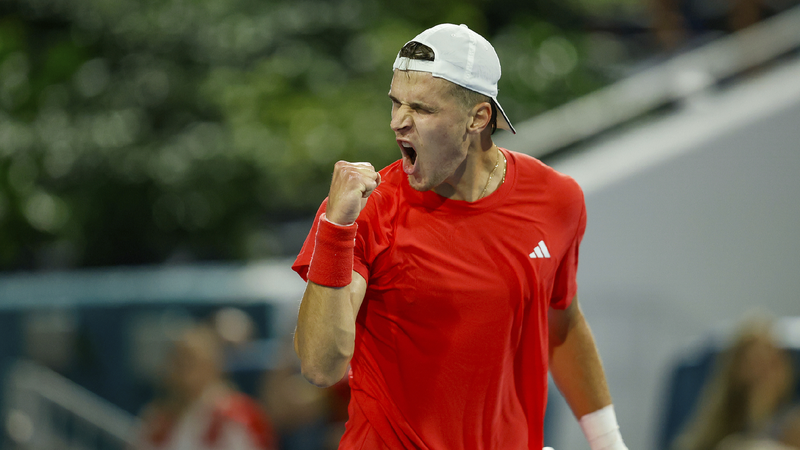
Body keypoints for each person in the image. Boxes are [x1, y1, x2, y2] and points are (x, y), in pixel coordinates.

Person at [292, 23, 628, 450]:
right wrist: (337, 230)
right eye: (395, 103)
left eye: (422, 109)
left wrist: (609, 442)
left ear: (478, 116)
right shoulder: (365, 210)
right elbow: (321, 367)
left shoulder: (557, 199)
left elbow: (559, 322)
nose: (398, 123)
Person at [133, 324, 276, 450]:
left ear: (213, 365)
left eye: (191, 360)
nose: (183, 369)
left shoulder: (239, 415)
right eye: (177, 360)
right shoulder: (156, 420)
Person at [672, 317, 800, 450]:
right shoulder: (716, 427)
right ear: (736, 370)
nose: (768, 374)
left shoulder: (793, 424)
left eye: (773, 361)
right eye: (757, 363)